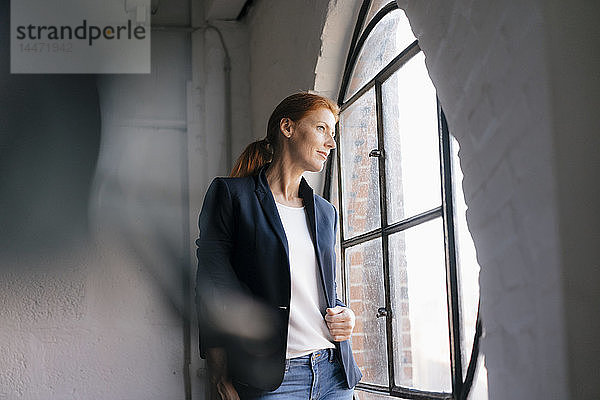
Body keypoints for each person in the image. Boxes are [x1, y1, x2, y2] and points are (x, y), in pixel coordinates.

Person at [195, 92, 362, 400]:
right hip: (272, 380)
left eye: (333, 134)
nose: (331, 143)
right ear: (288, 128)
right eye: (322, 129)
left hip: (334, 372)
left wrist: (345, 315)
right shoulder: (231, 197)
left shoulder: (325, 212)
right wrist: (218, 376)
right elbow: (211, 290)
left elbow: (324, 289)